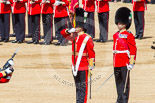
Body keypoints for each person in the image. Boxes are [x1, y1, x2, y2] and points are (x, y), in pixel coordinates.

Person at [61, 8, 95, 103]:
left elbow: (91, 53)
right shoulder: (74, 36)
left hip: (83, 66)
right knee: (77, 87)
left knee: (83, 88)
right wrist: (69, 30)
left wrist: (91, 65)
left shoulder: (87, 38)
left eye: (78, 26)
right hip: (75, 66)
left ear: (82, 27)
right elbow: (62, 33)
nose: (76, 27)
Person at [113, 7, 137, 103]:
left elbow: (133, 49)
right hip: (116, 62)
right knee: (118, 82)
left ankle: (124, 100)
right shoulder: (115, 35)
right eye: (118, 23)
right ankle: (119, 99)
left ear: (126, 23)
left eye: (121, 23)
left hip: (124, 62)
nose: (119, 24)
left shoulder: (129, 35)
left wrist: (131, 62)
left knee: (125, 83)